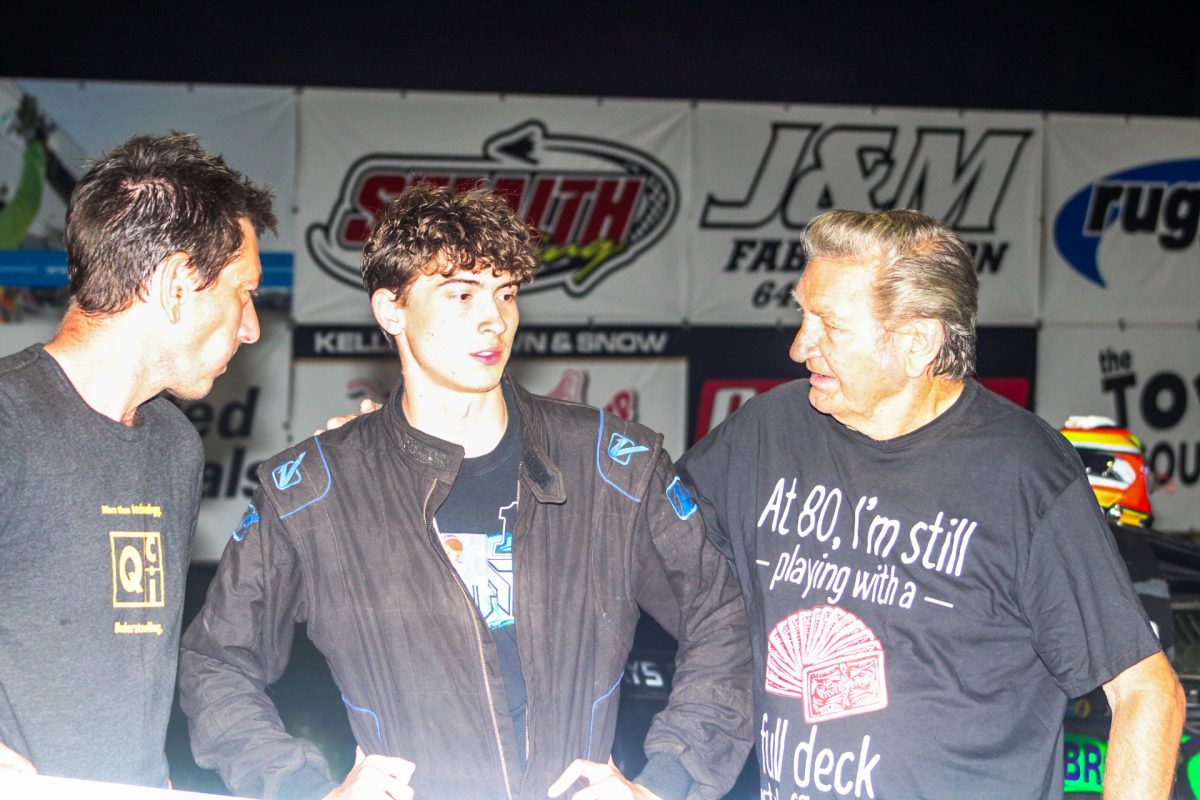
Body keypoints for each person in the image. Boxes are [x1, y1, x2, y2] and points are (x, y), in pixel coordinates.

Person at [179, 185, 752, 800]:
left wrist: (667, 782)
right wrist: (299, 788)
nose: (493, 319)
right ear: (390, 310)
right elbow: (216, 662)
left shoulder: (614, 465)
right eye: (460, 294)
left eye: (506, 293)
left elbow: (725, 616)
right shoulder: (314, 493)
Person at [676, 209, 1185, 800]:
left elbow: (1149, 693)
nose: (799, 346)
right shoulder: (768, 432)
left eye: (830, 325)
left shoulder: (1022, 472)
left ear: (918, 341)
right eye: (802, 314)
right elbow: (649, 544)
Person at [0, 132, 274, 786]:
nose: (251, 327)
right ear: (179, 283)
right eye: (245, 293)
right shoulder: (9, 420)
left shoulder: (174, 445)